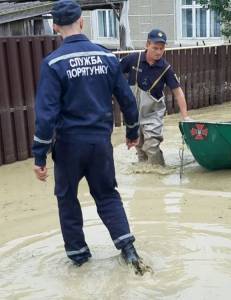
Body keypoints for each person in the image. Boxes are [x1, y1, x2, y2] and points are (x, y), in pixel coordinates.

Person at [32, 0, 142, 272]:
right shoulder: (106, 57)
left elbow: (45, 115)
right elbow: (127, 99)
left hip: (69, 147)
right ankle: (128, 250)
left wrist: (39, 156)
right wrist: (132, 131)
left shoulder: (53, 63)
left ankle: (80, 259)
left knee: (67, 198)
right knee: (107, 195)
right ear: (82, 22)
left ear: (55, 26)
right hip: (100, 145)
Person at [120, 29, 191, 166]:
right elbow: (114, 72)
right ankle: (145, 177)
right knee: (140, 146)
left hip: (153, 113)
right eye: (155, 48)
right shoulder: (133, 59)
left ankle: (160, 171)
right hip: (134, 113)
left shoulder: (165, 68)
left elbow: (178, 92)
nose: (158, 52)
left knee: (151, 144)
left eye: (162, 48)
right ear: (147, 44)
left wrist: (185, 116)